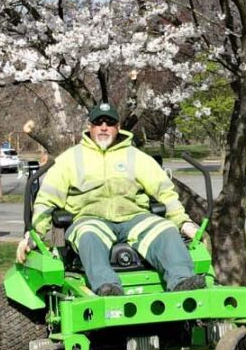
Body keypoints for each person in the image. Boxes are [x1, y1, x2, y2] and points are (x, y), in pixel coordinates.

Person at [27, 103, 203, 296]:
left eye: (109, 122)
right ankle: (108, 288)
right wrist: (34, 235)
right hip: (89, 219)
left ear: (118, 127)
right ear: (90, 127)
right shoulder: (69, 159)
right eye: (98, 122)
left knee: (166, 229)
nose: (104, 127)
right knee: (88, 234)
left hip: (135, 217)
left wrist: (184, 223)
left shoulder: (137, 157)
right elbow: (47, 199)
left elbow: (165, 193)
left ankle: (183, 282)